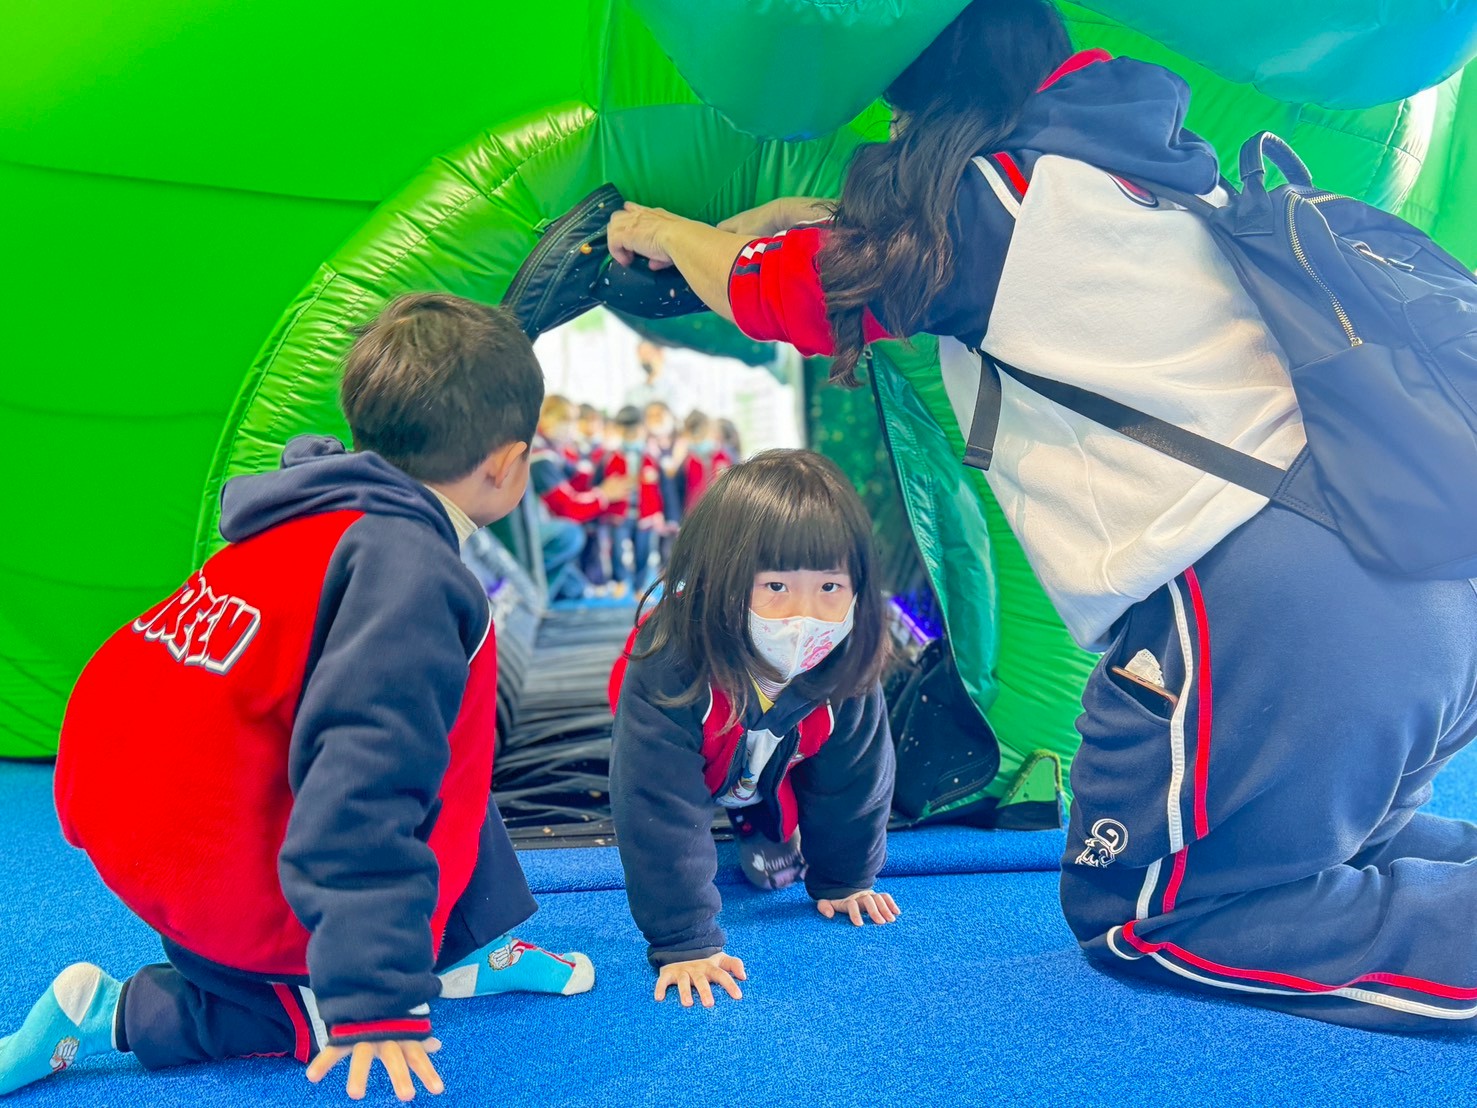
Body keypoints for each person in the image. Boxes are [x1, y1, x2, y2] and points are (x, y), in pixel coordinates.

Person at [606, 0, 1477, 1033]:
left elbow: (778, 292)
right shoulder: (1146, 172)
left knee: (1152, 915)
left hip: (1269, 600)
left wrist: (660, 232)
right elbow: (887, 251)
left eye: (897, 117)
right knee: (1343, 844)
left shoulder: (989, 207)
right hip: (1421, 581)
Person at [7, 294, 595, 1102]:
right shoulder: (407, 577)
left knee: (435, 729)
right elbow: (362, 787)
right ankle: (113, 1010)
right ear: (507, 464)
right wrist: (373, 998)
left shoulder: (316, 518)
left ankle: (463, 948)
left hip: (144, 808)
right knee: (317, 1015)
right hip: (214, 857)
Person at [608, 450, 900, 1009]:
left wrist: (845, 878)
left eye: (830, 588)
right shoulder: (671, 661)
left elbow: (857, 779)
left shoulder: (845, 663)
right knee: (688, 782)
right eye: (776, 587)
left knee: (774, 825)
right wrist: (685, 938)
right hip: (700, 740)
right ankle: (743, 797)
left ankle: (756, 808)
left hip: (779, 747)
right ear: (721, 581)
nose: (803, 615)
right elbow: (655, 803)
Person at [531, 395, 629, 600]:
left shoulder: (553, 451)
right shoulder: (540, 456)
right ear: (545, 417)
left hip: (539, 526)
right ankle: (533, 595)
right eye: (565, 419)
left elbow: (578, 476)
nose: (571, 427)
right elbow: (569, 508)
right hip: (533, 531)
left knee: (576, 588)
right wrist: (604, 494)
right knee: (571, 535)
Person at [602, 406, 665, 595]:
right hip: (619, 513)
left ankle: (639, 585)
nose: (630, 435)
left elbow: (664, 488)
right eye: (626, 431)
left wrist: (661, 513)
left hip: (644, 514)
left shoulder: (652, 457)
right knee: (618, 550)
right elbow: (598, 483)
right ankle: (620, 580)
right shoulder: (610, 457)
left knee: (643, 551)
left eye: (634, 430)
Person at [680, 410, 731, 510]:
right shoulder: (687, 459)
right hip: (694, 510)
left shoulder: (721, 457)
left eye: (702, 434)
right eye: (694, 436)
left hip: (719, 507)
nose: (698, 439)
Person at [622, 339, 689, 414]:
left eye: (647, 354)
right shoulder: (633, 393)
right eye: (641, 356)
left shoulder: (676, 388)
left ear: (660, 353)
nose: (644, 360)